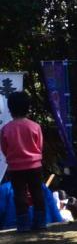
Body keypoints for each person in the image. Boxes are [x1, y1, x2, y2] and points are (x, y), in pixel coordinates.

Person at [1, 93, 46, 232]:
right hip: (34, 165)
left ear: (10, 109)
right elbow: (40, 146)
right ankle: (40, 223)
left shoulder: (6, 129)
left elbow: (4, 148)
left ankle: (23, 225)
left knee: (19, 194)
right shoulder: (35, 126)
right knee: (37, 193)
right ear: (28, 108)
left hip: (15, 167)